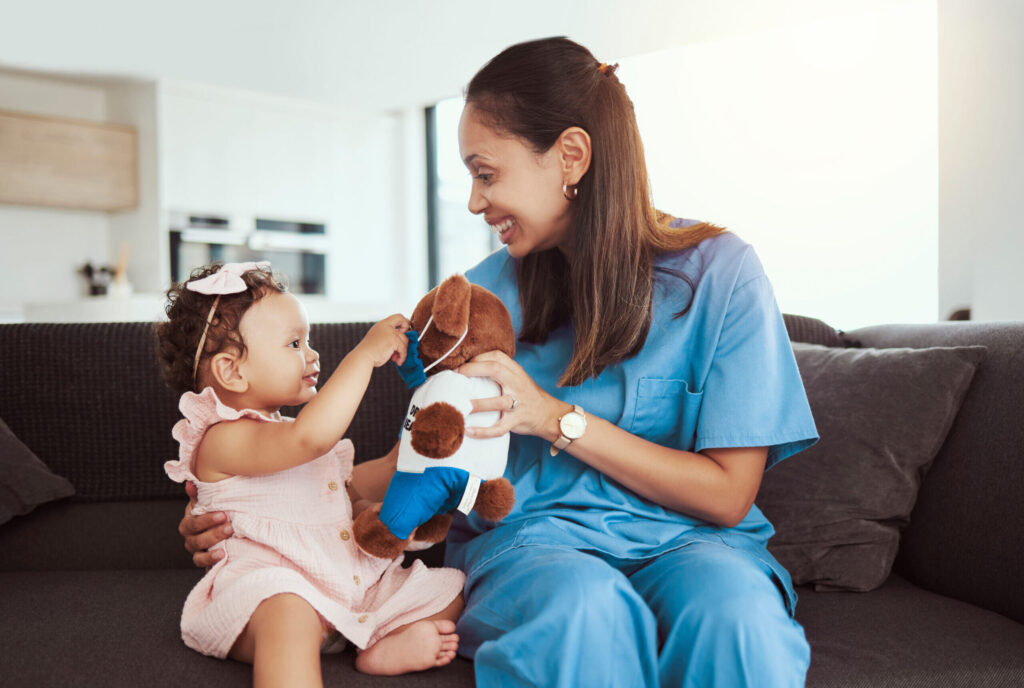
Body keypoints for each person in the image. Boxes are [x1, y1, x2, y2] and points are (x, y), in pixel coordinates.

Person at [181, 37, 819, 687]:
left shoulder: (721, 274)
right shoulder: (474, 303)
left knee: (738, 622)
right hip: (535, 547)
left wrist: (552, 419)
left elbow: (728, 495)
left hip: (696, 544)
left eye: (485, 173)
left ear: (571, 156)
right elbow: (423, 459)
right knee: (585, 615)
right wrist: (250, 510)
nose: (473, 202)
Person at [156, 261, 464, 686]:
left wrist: (402, 458)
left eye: (309, 340)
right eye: (294, 343)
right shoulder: (221, 439)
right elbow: (312, 438)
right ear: (232, 371)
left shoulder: (288, 433)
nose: (313, 354)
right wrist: (363, 356)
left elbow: (347, 484)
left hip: (348, 584)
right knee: (288, 613)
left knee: (451, 590)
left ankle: (378, 648)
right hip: (270, 592)